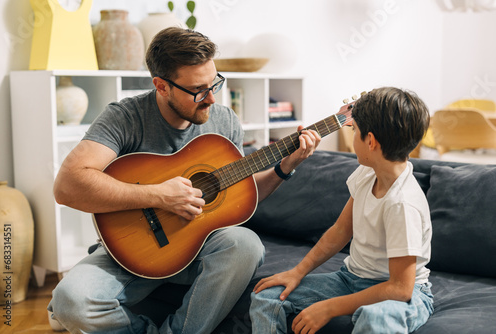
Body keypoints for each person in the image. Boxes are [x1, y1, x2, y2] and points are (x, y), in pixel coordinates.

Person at [47, 27, 320, 334]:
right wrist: (158, 196)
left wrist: (284, 168)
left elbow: (239, 193)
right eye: (198, 90)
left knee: (246, 244)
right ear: (161, 86)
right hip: (133, 250)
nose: (210, 99)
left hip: (200, 245)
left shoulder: (224, 120)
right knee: (70, 301)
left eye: (214, 83)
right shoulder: (126, 117)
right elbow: (68, 185)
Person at [250, 87, 434, 334]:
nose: (353, 136)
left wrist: (330, 307)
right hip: (351, 279)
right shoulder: (368, 172)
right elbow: (340, 230)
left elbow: (401, 288)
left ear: (370, 142)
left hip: (403, 294)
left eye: (355, 130)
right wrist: (296, 273)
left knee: (374, 318)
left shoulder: (402, 203)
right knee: (268, 296)